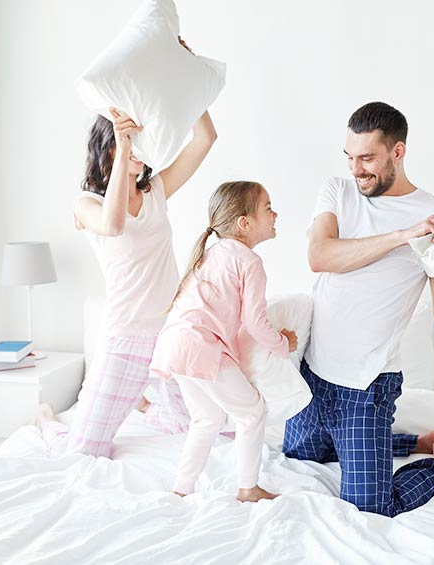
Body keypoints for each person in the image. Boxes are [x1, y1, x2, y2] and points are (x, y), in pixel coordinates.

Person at [283, 101, 434, 517]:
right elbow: (320, 255)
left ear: (397, 152)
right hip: (314, 372)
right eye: (350, 157)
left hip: (366, 388)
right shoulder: (338, 191)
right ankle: (418, 438)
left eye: (367, 158)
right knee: (298, 450)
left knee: (372, 506)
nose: (356, 168)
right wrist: (401, 236)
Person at [37, 99, 218, 456]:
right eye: (130, 141)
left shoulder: (157, 192)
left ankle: (145, 405)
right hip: (126, 337)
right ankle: (48, 423)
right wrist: (124, 148)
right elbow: (114, 224)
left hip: (171, 332)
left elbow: (206, 138)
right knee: (84, 452)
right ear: (109, 145)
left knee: (198, 425)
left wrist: (188, 80)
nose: (139, 151)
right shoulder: (85, 204)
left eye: (142, 142)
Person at [149, 181, 298, 502]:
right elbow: (255, 322)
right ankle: (248, 487)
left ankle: (182, 488)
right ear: (245, 223)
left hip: (175, 344)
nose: (275, 214)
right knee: (252, 412)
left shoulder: (213, 253)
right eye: (268, 208)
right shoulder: (248, 261)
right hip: (201, 347)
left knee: (207, 418)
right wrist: (283, 344)